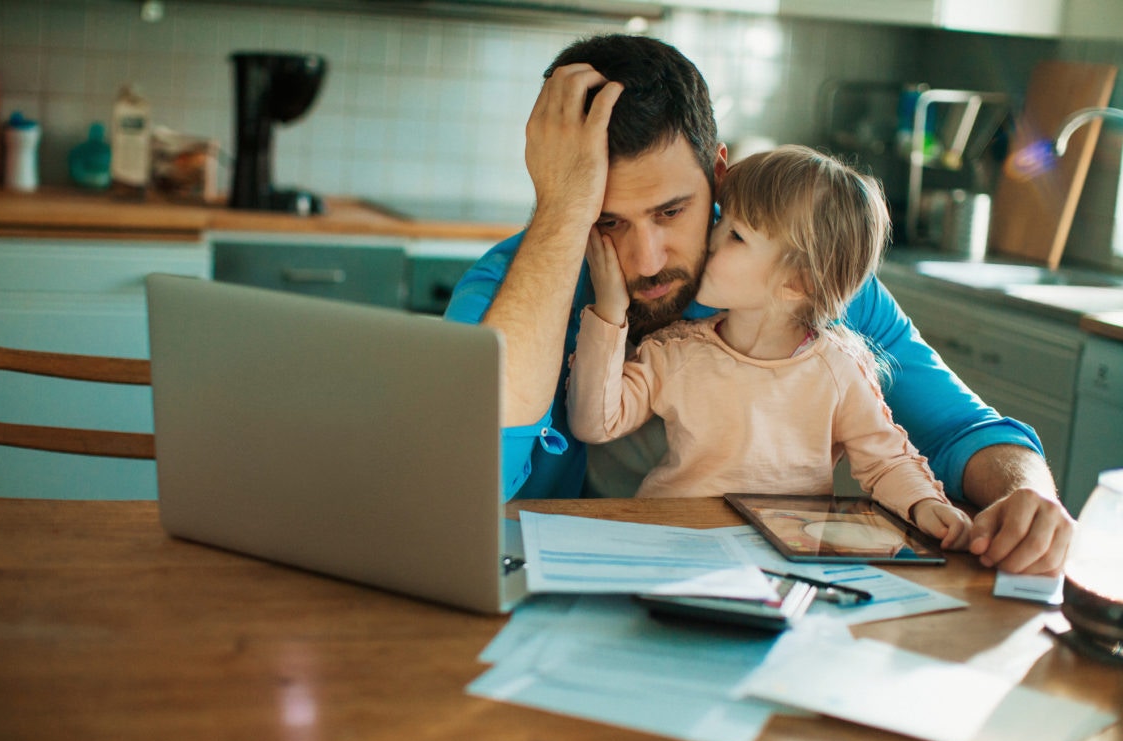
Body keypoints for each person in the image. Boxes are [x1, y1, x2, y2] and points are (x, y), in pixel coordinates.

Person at [443, 33, 1073, 575]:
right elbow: (467, 484)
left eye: (672, 211)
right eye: (605, 221)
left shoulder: (796, 274)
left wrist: (1029, 499)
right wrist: (561, 212)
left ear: (719, 175)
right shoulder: (508, 285)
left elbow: (962, 428)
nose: (648, 259)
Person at [566, 144, 972, 545]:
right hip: (672, 541)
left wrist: (925, 505)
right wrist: (609, 310)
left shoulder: (841, 372)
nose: (710, 241)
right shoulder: (675, 351)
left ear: (799, 283)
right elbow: (595, 423)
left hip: (784, 559)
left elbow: (888, 463)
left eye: (736, 236)